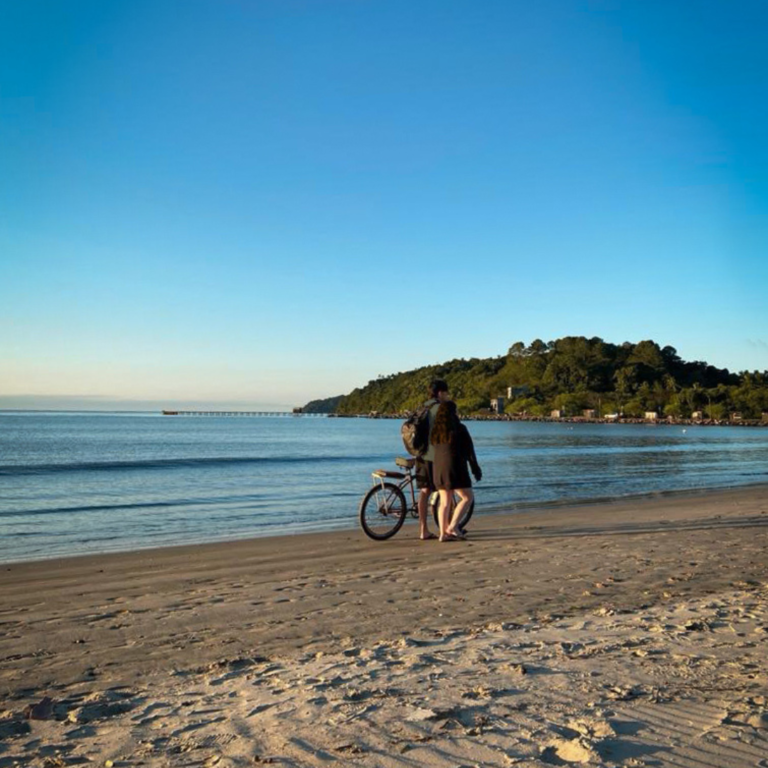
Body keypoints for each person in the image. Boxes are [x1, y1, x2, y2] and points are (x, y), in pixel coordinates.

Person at [430, 400, 482, 541]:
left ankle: (442, 534)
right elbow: (470, 451)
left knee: (445, 502)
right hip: (455, 466)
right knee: (467, 497)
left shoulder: (435, 431)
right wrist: (475, 468)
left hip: (439, 468)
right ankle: (452, 526)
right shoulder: (460, 428)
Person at [415, 379, 450, 540]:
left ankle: (423, 530)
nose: (447, 395)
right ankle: (447, 528)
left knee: (424, 492)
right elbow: (445, 433)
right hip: (433, 455)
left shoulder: (423, 406)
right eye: (446, 392)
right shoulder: (439, 408)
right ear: (440, 393)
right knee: (443, 490)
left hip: (420, 454)